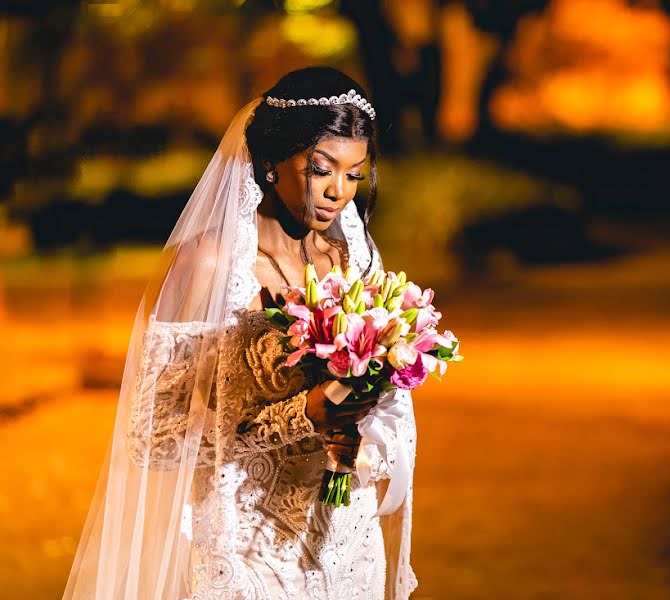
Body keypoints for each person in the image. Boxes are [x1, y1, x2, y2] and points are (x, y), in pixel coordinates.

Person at [63, 66, 418, 600]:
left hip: (343, 539)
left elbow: (392, 411)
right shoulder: (210, 265)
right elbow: (152, 436)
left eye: (354, 175)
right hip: (243, 549)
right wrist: (301, 416)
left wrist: (360, 432)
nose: (339, 192)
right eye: (322, 170)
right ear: (272, 162)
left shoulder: (353, 258)